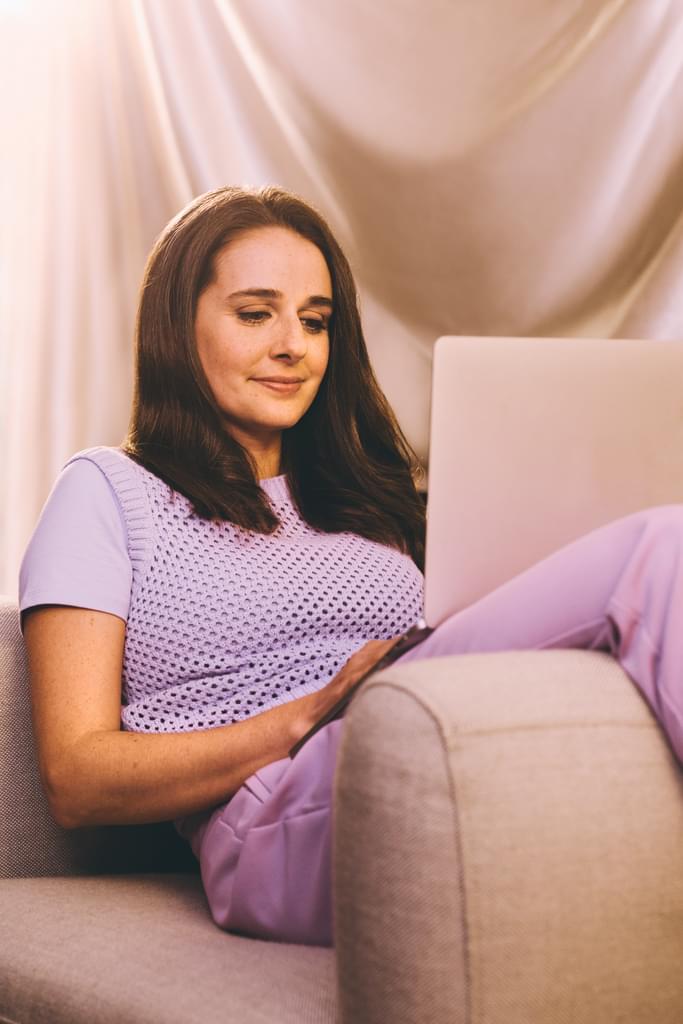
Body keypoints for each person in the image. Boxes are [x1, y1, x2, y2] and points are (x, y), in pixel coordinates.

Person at [19, 185, 683, 948]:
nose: (293, 345)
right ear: (179, 325)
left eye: (315, 320)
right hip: (269, 822)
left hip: (424, 736)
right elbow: (77, 776)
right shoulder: (109, 491)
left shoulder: (364, 500)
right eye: (254, 312)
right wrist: (307, 715)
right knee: (658, 551)